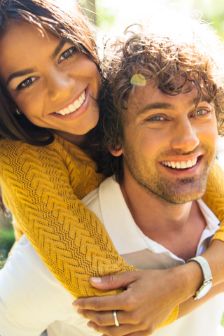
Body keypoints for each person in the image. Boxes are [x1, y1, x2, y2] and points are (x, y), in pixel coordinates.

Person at [1, 10, 224, 336]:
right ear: (10, 103)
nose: (62, 88)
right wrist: (202, 282)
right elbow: (123, 304)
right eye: (27, 81)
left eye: (66, 53)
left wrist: (187, 279)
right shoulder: (22, 160)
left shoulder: (123, 84)